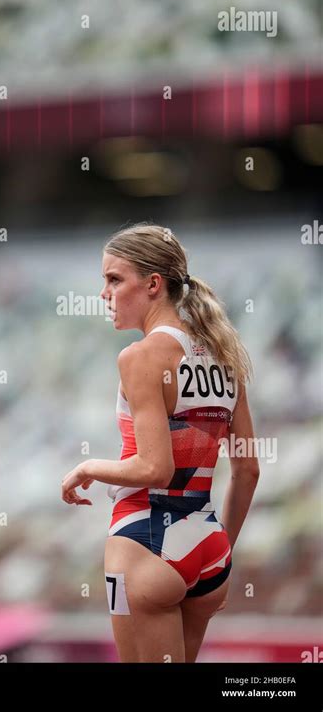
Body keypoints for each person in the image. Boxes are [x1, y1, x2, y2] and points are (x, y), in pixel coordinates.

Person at [61, 222, 260, 663]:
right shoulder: (225, 354)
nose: (103, 294)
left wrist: (89, 467)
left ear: (153, 284)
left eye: (114, 279)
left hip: (144, 542)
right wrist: (219, 552)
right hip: (208, 546)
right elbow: (248, 469)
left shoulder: (139, 357)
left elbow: (154, 469)